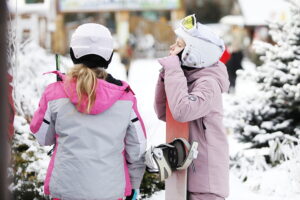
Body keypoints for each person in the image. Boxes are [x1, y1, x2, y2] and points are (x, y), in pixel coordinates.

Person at [30, 23, 146, 200]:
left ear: (73, 53)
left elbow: (42, 136)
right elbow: (137, 150)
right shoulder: (126, 98)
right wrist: (134, 186)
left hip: (64, 191)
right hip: (111, 192)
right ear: (109, 56)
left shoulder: (54, 92)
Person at [154, 15, 230, 200]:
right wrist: (167, 76)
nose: (172, 48)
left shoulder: (208, 84)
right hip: (187, 173)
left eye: (179, 44)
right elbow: (164, 112)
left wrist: (173, 70)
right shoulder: (189, 78)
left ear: (195, 53)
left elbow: (183, 111)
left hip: (206, 182)